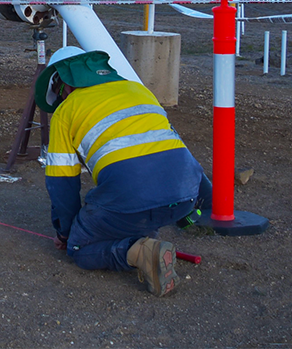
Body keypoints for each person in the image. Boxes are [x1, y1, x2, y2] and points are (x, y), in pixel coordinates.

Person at [36, 46, 211, 296]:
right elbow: (179, 151)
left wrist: (66, 234)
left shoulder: (66, 110)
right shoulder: (138, 89)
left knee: (81, 250)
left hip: (130, 199)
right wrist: (202, 206)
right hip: (185, 198)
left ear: (63, 82)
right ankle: (146, 240)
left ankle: (142, 252)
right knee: (137, 216)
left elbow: (62, 182)